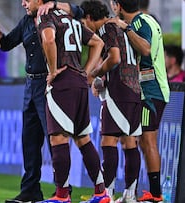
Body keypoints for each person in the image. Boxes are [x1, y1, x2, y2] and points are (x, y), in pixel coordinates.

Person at [0, 1, 84, 202]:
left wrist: (53, 3)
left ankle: (63, 190)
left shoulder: (58, 14)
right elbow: (6, 44)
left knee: (55, 140)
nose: (22, 3)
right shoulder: (26, 21)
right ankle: (30, 190)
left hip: (51, 82)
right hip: (31, 85)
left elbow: (80, 11)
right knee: (30, 141)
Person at [36, 0, 111, 202]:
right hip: (78, 82)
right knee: (82, 138)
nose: (24, 3)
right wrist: (85, 73)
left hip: (62, 82)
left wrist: (52, 72)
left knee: (58, 139)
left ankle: (62, 196)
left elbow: (49, 39)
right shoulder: (71, 19)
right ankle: (101, 192)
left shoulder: (45, 16)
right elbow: (98, 42)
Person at [80, 1, 142, 203]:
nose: (85, 27)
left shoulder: (107, 28)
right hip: (133, 88)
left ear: (89, 17)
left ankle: (106, 193)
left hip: (119, 91)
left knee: (109, 140)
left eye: (84, 22)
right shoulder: (121, 27)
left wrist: (96, 75)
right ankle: (130, 195)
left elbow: (114, 58)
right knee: (129, 141)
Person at [113, 0, 170, 202]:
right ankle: (146, 193)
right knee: (143, 142)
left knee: (147, 141)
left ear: (118, 5)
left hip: (150, 92)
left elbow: (145, 49)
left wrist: (126, 28)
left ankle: (155, 195)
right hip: (152, 91)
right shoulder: (148, 20)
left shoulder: (137, 23)